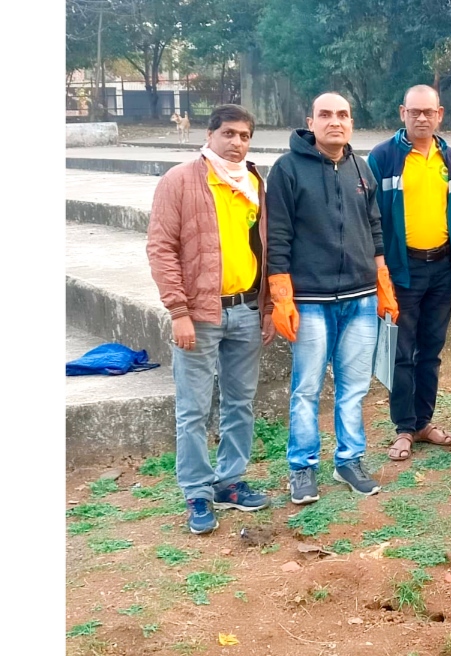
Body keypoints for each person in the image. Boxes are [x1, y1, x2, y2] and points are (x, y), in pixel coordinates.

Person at [266, 92, 400, 504]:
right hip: (309, 300)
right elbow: (279, 237)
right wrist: (281, 295)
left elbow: (375, 228)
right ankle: (302, 468)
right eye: (325, 115)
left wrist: (382, 279)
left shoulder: (361, 169)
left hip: (360, 299)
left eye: (342, 115)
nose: (335, 122)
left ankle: (349, 460)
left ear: (352, 122)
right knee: (306, 388)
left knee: (354, 387)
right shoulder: (287, 170)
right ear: (311, 121)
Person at [147, 104, 275, 535]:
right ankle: (198, 494)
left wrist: (269, 308)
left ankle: (230, 482)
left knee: (240, 402)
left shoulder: (256, 183)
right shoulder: (180, 181)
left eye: (244, 136)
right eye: (229, 134)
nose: (237, 142)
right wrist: (178, 312)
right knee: (194, 409)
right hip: (199, 315)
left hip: (246, 310)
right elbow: (161, 249)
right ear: (210, 135)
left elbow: (267, 250)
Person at [367, 85, 451, 461]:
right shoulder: (383, 157)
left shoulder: (449, 156)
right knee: (401, 352)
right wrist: (380, 271)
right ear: (402, 113)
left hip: (443, 267)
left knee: (430, 351)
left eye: (429, 112)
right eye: (414, 112)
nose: (422, 118)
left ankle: (424, 422)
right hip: (403, 270)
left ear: (440, 114)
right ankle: (403, 428)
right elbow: (372, 217)